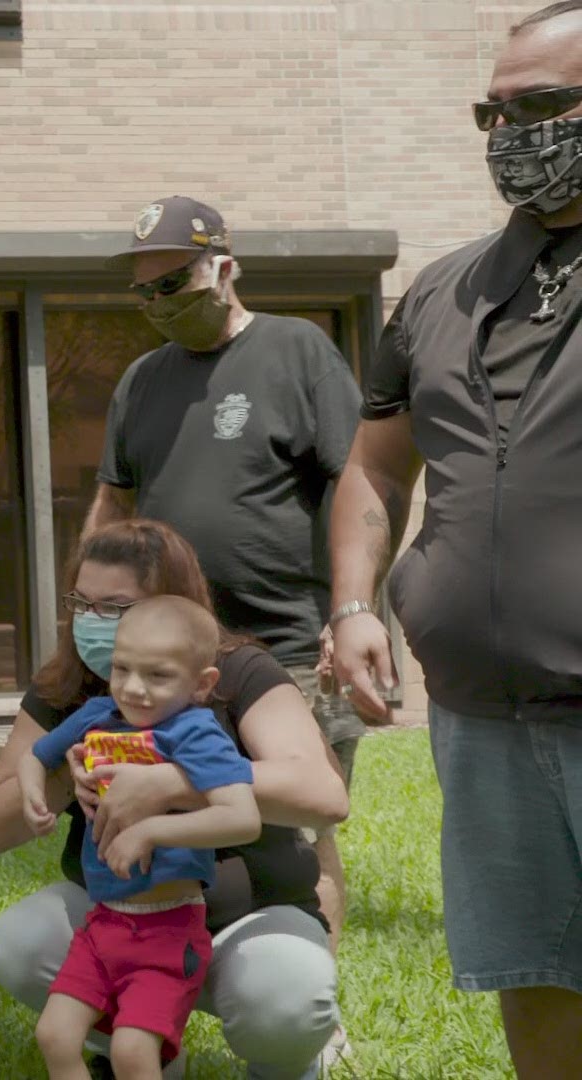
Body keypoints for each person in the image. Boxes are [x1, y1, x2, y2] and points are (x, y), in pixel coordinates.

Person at [330, 5, 582, 1075]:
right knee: (532, 968)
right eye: (493, 110)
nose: (510, 131)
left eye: (542, 106)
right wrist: (353, 604)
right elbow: (375, 466)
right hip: (483, 719)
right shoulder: (442, 289)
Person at [82, 196, 368, 987]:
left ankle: (311, 1007)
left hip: (285, 641)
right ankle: (155, 991)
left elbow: (357, 484)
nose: (155, 305)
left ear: (224, 267)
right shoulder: (142, 381)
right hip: (169, 657)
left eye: (171, 284)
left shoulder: (296, 350)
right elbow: (114, 502)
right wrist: (91, 611)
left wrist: (350, 611)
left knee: (301, 825)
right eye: (142, 292)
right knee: (169, 808)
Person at [0, 520, 349, 1080]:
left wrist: (171, 781)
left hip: (251, 918)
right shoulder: (72, 689)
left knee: (285, 998)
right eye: (82, 602)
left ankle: (289, 1065)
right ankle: (137, 1055)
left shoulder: (237, 673)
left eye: (115, 607)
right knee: (20, 942)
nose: (93, 622)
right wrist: (69, 772)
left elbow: (323, 795)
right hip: (118, 916)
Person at [19, 596, 261, 1080]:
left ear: (202, 684)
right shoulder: (98, 714)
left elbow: (243, 817)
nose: (133, 688)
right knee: (54, 1035)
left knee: (132, 1051)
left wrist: (153, 830)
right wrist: (32, 795)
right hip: (104, 923)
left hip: (169, 930)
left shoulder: (195, 732)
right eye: (122, 668)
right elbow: (35, 754)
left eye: (158, 676)